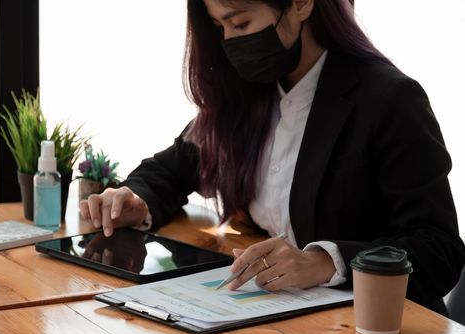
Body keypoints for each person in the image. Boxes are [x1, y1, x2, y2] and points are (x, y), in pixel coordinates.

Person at [79, 0, 465, 315]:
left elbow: (438, 249)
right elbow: (173, 167)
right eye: (220, 28)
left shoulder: (390, 100)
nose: (230, 42)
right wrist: (135, 199)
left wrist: (326, 262)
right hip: (282, 319)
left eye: (241, 23)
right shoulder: (247, 95)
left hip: (380, 328)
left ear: (300, 4)